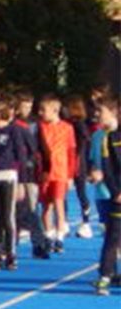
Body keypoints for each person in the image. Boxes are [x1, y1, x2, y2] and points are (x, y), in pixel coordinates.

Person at [0, 98, 27, 271]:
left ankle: (11, 253)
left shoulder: (13, 130)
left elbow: (21, 155)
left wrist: (22, 182)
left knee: (7, 216)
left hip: (8, 175)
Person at [37, 94, 76, 254]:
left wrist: (71, 175)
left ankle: (60, 237)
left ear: (55, 110)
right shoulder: (40, 127)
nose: (40, 113)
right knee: (46, 206)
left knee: (59, 204)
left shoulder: (67, 128)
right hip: (45, 173)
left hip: (61, 172)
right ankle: (48, 234)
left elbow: (71, 152)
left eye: (43, 110)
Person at [13, 93, 48, 258]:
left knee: (32, 208)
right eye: (24, 106)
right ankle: (9, 245)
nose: (27, 110)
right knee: (12, 209)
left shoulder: (34, 124)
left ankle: (39, 243)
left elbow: (41, 146)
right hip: (13, 170)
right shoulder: (11, 124)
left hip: (30, 171)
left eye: (29, 106)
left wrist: (45, 168)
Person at [91, 96, 120, 295]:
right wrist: (116, 191)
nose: (97, 115)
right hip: (114, 195)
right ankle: (105, 276)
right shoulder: (106, 138)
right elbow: (107, 168)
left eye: (100, 111)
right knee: (112, 235)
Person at [66, 95, 95, 238]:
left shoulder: (79, 124)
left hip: (77, 162)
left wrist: (80, 161)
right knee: (67, 193)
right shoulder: (69, 123)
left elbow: (84, 143)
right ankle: (65, 221)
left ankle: (86, 222)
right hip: (72, 161)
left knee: (81, 192)